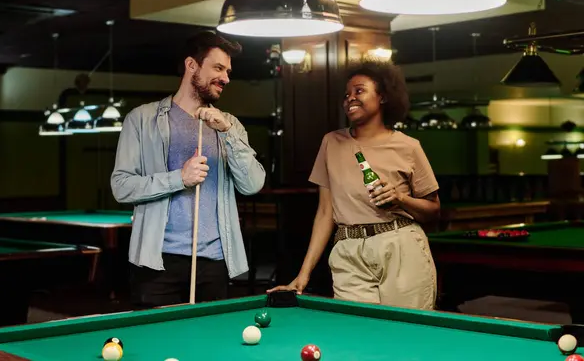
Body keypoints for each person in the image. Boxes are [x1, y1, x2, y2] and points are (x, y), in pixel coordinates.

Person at [110, 30, 266, 308]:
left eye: (228, 71)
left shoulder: (229, 124)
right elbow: (121, 187)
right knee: (157, 349)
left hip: (215, 261)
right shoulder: (142, 119)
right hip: (157, 260)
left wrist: (227, 133)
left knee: (209, 349)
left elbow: (253, 184)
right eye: (218, 68)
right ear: (191, 65)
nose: (226, 78)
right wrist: (179, 178)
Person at [269, 59, 440, 310]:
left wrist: (401, 198)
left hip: (401, 247)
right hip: (348, 251)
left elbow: (434, 210)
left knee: (405, 335)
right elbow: (325, 213)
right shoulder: (331, 143)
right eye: (347, 94)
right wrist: (303, 274)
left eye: (359, 91)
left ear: (382, 96)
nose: (350, 98)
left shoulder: (408, 146)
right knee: (356, 334)